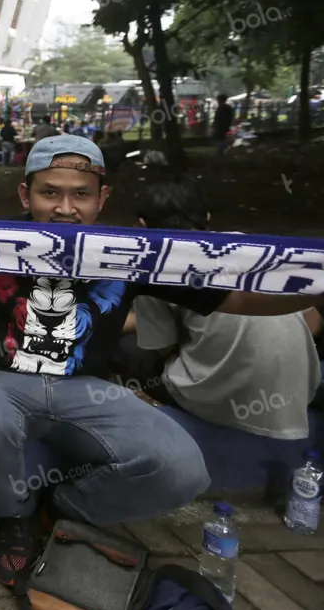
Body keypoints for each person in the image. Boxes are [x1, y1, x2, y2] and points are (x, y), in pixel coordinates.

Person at [0, 134, 324, 588]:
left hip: (88, 392)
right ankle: (12, 516)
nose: (65, 208)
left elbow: (237, 300)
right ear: (25, 194)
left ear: (102, 198)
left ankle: (65, 510)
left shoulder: (129, 251)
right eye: (49, 192)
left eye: (81, 194)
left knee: (182, 467)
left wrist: (316, 288)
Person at [110, 177, 321, 439]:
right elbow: (313, 323)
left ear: (142, 226)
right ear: (207, 218)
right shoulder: (249, 246)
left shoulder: (154, 267)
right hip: (300, 394)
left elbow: (164, 347)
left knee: (133, 351)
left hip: (229, 410)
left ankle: (172, 418)